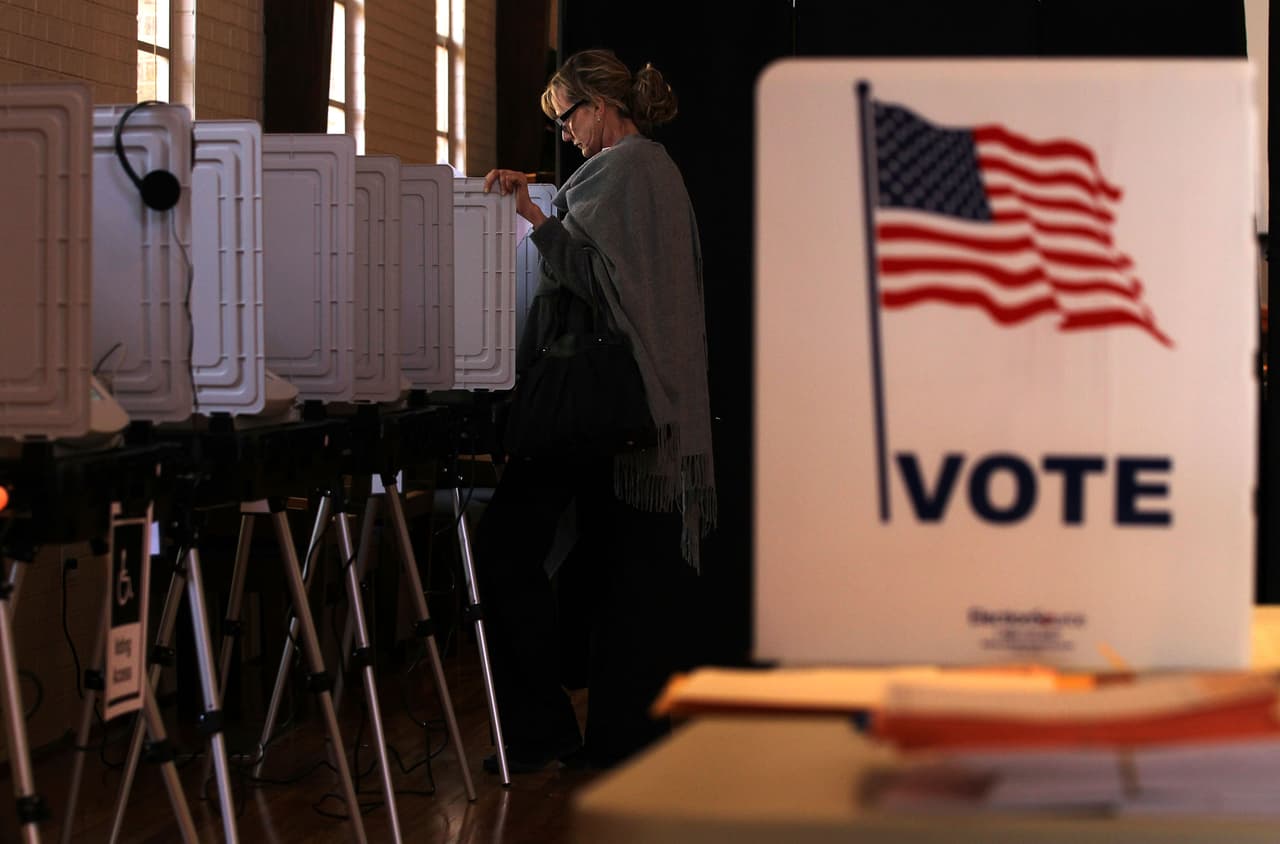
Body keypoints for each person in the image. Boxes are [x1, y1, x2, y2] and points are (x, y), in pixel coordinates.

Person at [477, 48, 717, 772]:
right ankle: (598, 744)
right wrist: (548, 208)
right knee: (615, 575)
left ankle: (547, 732)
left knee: (513, 551)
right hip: (618, 410)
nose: (568, 132)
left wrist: (534, 216)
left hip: (598, 404)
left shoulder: (633, 169)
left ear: (603, 105)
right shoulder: (635, 174)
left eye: (570, 115)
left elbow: (599, 281)